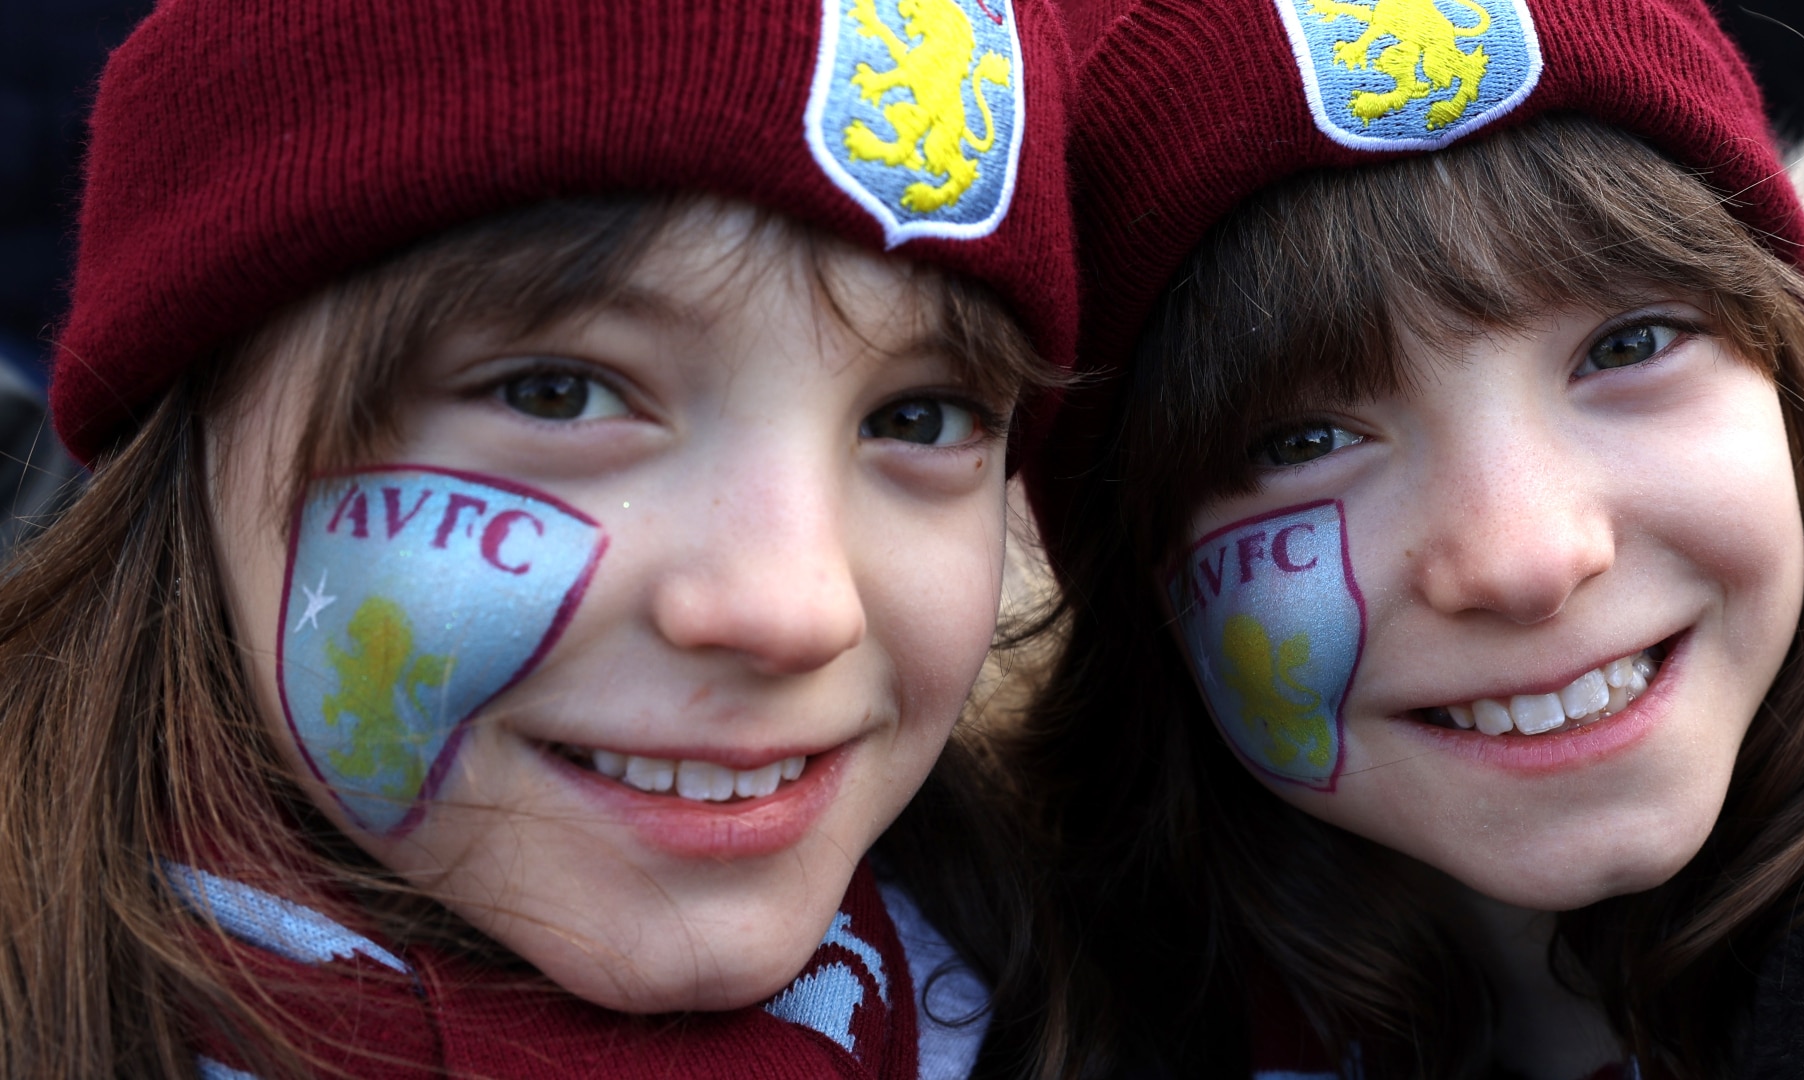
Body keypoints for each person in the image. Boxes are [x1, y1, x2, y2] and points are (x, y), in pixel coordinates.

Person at [0, 0, 1076, 1075]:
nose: (794, 610)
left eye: (918, 418)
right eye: (558, 394)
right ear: (186, 424)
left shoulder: (1076, 992)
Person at [1018, 0, 1804, 1076]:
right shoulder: (988, 1007)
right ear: (1136, 573)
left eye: (1628, 345)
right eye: (1304, 438)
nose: (1528, 560)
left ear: (1796, 390)